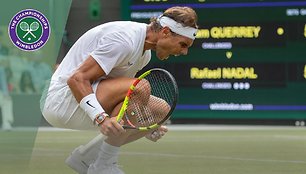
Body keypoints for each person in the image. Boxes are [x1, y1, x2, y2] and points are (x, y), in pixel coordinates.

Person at [41, 6, 198, 174]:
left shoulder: (144, 54)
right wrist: (101, 118)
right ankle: (104, 164)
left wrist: (145, 122)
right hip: (59, 101)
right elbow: (77, 79)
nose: (184, 52)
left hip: (80, 101)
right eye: (183, 44)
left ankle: (85, 157)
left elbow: (126, 102)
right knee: (141, 86)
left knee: (161, 110)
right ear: (165, 32)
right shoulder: (124, 40)